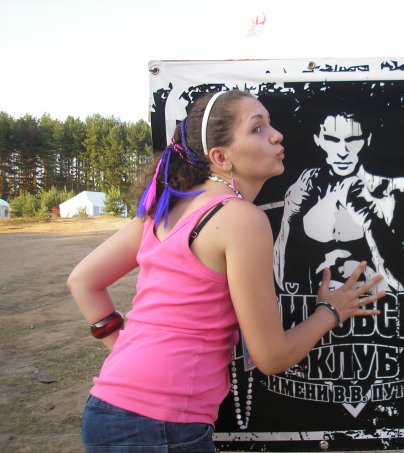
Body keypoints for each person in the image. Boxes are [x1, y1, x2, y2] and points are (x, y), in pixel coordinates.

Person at [67, 89, 385, 452]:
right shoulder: (240, 218)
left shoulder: (166, 207)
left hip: (107, 407)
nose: (276, 135)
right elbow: (272, 357)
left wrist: (124, 352)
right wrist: (332, 310)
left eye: (270, 125)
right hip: (163, 425)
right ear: (221, 157)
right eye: (257, 128)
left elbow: (83, 281)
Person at [274, 107, 404, 294]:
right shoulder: (304, 190)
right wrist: (290, 218)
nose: (343, 151)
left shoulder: (398, 191)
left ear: (367, 139)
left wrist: (371, 217)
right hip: (320, 309)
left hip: (382, 307)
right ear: (318, 140)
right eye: (332, 139)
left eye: (353, 140)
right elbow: (285, 283)